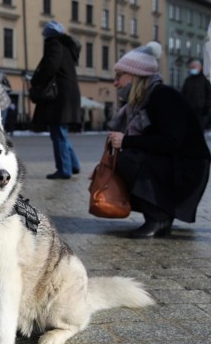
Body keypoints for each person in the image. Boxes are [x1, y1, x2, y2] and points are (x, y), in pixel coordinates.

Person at [107, 41, 210, 239]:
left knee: (129, 159)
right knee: (127, 158)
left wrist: (126, 141)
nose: (115, 82)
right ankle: (160, 216)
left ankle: (159, 219)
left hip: (188, 169)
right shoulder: (145, 100)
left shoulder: (162, 97)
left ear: (135, 75)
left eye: (119, 76)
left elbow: (171, 142)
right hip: (177, 164)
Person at [30, 21, 82, 180]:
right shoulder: (66, 46)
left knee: (58, 133)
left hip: (59, 97)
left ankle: (64, 169)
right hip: (68, 95)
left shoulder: (54, 44)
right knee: (61, 133)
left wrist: (37, 80)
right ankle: (73, 164)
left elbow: (50, 66)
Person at [180, 59, 210, 129]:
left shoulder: (204, 81)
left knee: (199, 129)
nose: (192, 69)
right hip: (189, 109)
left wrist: (206, 108)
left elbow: (209, 95)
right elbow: (183, 94)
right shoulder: (188, 80)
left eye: (194, 67)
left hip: (200, 111)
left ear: (200, 68)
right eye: (191, 67)